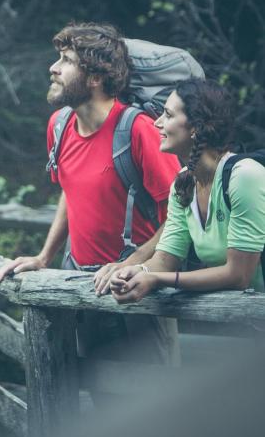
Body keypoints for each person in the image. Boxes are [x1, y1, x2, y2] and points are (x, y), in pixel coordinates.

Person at [0, 21, 181, 364]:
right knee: (99, 403)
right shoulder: (59, 125)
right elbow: (70, 191)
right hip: (80, 285)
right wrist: (43, 257)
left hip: (138, 292)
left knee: (158, 408)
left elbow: (180, 217)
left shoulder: (138, 131)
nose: (53, 68)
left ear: (95, 77)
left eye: (66, 60)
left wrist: (130, 264)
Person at [110, 78, 265, 304]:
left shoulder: (244, 176)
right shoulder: (183, 184)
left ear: (195, 127)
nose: (157, 123)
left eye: (169, 115)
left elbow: (238, 275)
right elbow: (164, 259)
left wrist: (156, 280)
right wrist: (136, 272)